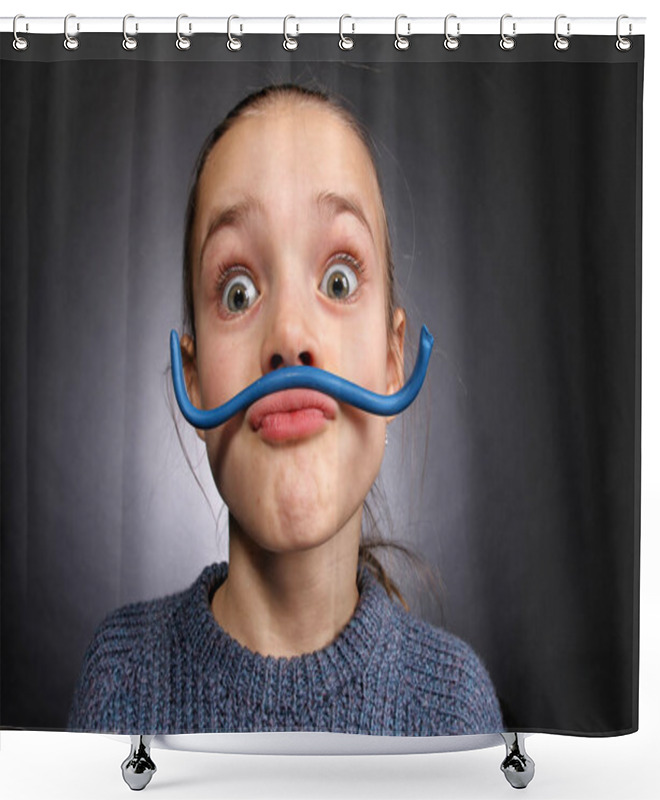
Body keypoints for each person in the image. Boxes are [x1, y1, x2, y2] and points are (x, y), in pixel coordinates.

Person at [68, 84, 503, 736]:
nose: (289, 335)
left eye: (338, 280)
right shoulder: (120, 677)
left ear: (392, 357)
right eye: (238, 292)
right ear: (196, 377)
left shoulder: (455, 705)